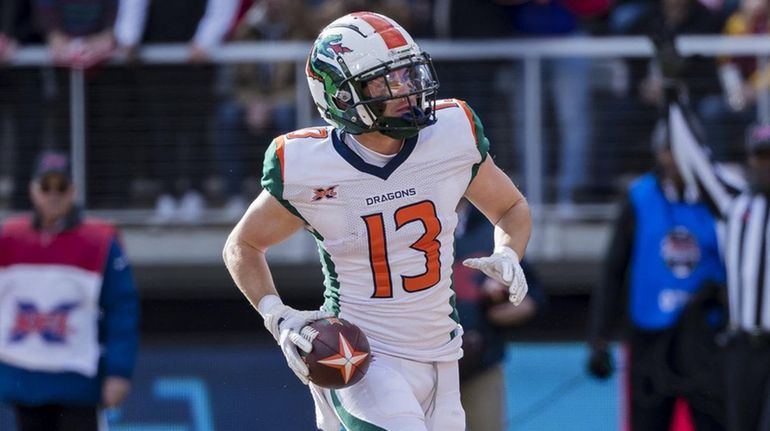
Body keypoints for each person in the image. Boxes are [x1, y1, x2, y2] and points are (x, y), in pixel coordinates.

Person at [223, 11, 532, 431]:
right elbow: (242, 246)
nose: (407, 90)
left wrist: (509, 250)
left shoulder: (452, 131)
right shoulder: (305, 164)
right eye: (387, 81)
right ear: (343, 96)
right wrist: (277, 315)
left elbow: (511, 207)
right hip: (361, 357)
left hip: (443, 352)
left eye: (408, 74)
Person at [587, 118, 727, 430]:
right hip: (649, 337)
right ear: (659, 153)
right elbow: (614, 268)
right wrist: (598, 337)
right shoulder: (639, 197)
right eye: (669, 150)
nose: (675, 159)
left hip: (705, 337)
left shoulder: (719, 196)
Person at [0, 151, 140, 431]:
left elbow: (122, 310)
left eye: (61, 187)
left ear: (73, 191)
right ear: (32, 190)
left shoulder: (99, 242)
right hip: (23, 380)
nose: (53, 195)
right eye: (46, 187)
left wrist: (118, 371)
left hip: (78, 382)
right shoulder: (8, 239)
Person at [668, 91, 770, 431]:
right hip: (745, 346)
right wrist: (673, 96)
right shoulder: (734, 205)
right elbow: (695, 160)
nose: (766, 164)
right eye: (761, 156)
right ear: (750, 159)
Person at [454, 199, 544, 431]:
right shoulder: (405, 227)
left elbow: (532, 297)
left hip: (480, 364)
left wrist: (501, 303)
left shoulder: (493, 230)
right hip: (420, 365)